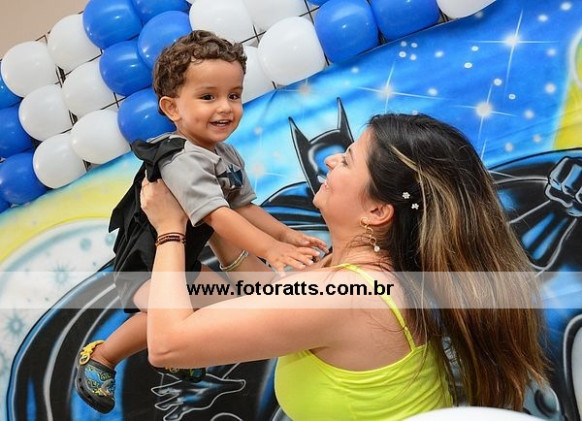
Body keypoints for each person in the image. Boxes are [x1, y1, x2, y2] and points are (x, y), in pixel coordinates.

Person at [140, 113, 549, 420]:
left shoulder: (348, 296)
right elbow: (269, 299)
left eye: (349, 160)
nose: (333, 159)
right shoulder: (376, 279)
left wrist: (169, 229)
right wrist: (208, 210)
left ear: (377, 211)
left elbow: (169, 345)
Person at [74, 30, 326, 414]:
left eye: (234, 95)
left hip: (183, 260)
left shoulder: (224, 153)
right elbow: (216, 215)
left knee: (224, 302)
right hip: (144, 266)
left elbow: (242, 206)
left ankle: (181, 355)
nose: (225, 107)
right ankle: (102, 356)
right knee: (167, 314)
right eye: (208, 97)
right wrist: (270, 249)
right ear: (172, 108)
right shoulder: (181, 157)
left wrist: (285, 234)